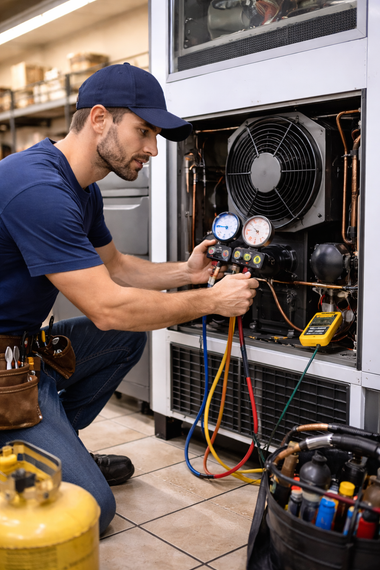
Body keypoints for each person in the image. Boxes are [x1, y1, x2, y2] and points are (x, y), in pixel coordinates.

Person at [0, 63, 258, 533]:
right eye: (143, 131)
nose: (152, 149)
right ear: (99, 119)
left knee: (125, 342)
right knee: (94, 514)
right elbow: (108, 305)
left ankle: (58, 448)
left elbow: (117, 269)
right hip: (2, 371)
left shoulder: (83, 189)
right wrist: (213, 301)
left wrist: (188, 273)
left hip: (26, 355)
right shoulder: (36, 186)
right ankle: (23, 454)